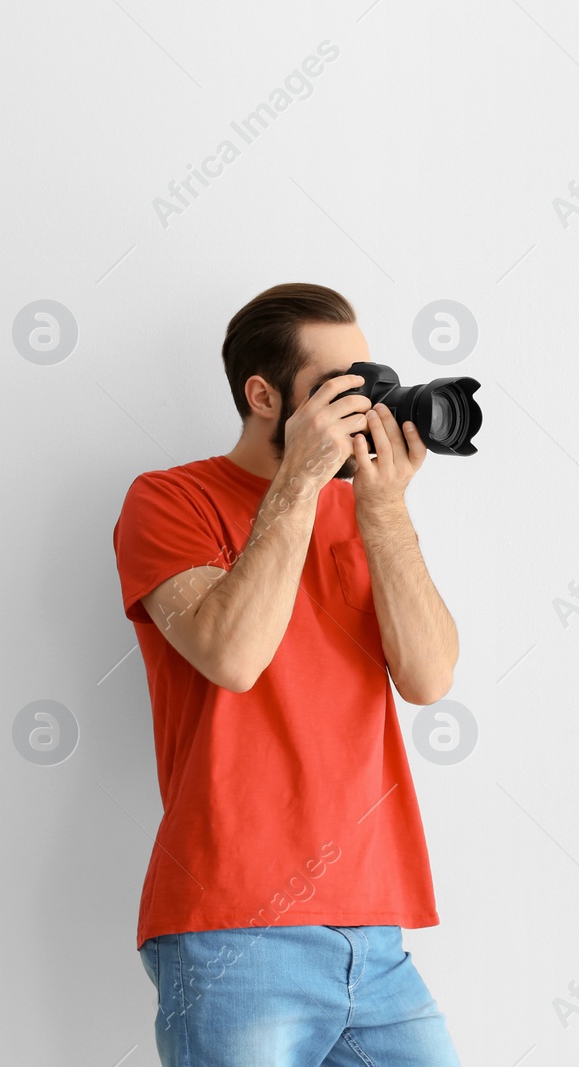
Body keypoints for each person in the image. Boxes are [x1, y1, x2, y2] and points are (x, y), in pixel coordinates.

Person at [111, 282, 462, 1065]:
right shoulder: (169, 499)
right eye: (338, 389)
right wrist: (300, 481)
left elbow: (430, 676)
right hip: (233, 929)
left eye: (368, 380)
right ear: (263, 395)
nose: (363, 406)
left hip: (373, 931)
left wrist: (385, 510)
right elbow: (231, 656)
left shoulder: (364, 515)